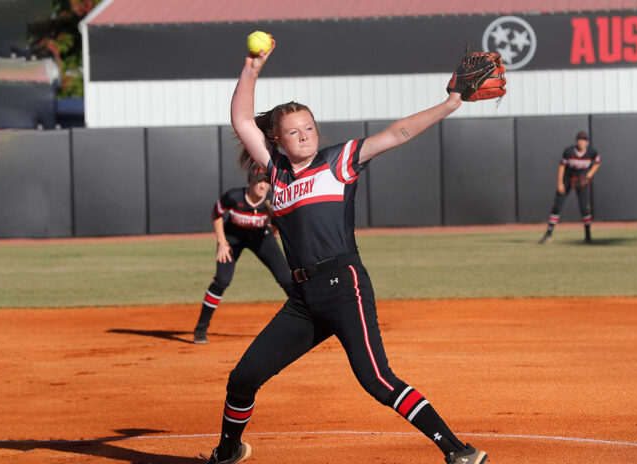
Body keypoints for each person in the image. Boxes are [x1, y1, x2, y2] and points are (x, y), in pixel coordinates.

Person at [202, 41, 487, 464]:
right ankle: (228, 451)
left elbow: (398, 132)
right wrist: (251, 68)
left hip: (344, 286)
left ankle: (457, 450)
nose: (303, 136)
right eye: (293, 132)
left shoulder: (340, 161)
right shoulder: (276, 171)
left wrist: (449, 104)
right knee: (242, 378)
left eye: (309, 128)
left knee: (376, 379)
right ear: (277, 139)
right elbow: (242, 118)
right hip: (302, 302)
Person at [193, 166, 293, 344]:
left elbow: (278, 221)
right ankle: (201, 328)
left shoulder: (273, 198)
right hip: (233, 237)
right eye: (258, 182)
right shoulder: (234, 197)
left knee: (286, 278)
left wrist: (274, 233)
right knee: (222, 280)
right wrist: (222, 242)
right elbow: (216, 214)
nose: (262, 186)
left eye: (265, 181)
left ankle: (307, 321)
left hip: (261, 238)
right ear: (249, 183)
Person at [539, 131, 601, 244]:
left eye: (584, 140)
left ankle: (588, 236)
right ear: (576, 141)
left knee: (585, 208)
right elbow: (562, 166)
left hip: (582, 178)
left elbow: (597, 163)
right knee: (557, 206)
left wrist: (589, 175)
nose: (581, 142)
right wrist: (560, 183)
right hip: (568, 178)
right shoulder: (569, 152)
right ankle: (548, 235)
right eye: (579, 139)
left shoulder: (592, 152)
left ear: (587, 142)